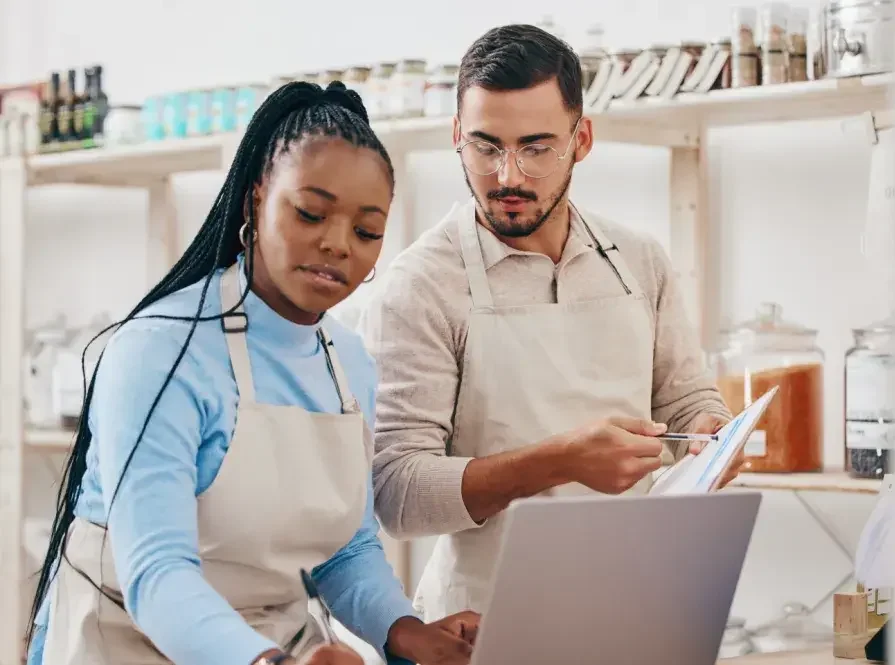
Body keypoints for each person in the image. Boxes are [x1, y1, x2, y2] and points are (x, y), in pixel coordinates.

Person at [25, 81, 479, 665]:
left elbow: (346, 549)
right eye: (311, 212)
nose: (338, 244)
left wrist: (407, 632)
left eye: (367, 231)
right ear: (254, 201)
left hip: (277, 643)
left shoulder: (348, 363)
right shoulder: (160, 353)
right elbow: (157, 575)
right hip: (124, 641)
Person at [356, 24, 741, 622]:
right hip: (487, 623)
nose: (509, 176)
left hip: (640, 604)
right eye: (486, 147)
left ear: (581, 139)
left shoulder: (639, 261)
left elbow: (687, 402)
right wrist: (559, 461)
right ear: (456, 135)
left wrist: (713, 435)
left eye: (537, 148)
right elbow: (398, 494)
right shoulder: (421, 284)